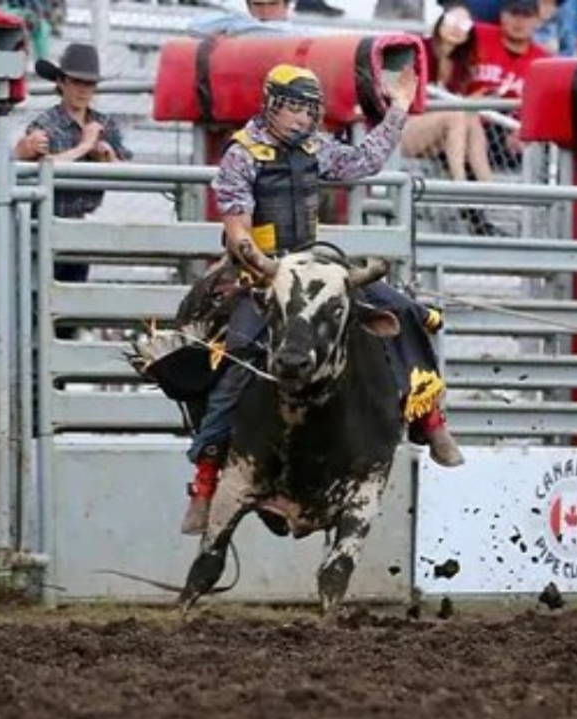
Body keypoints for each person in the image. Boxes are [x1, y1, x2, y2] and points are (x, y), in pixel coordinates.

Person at [181, 63, 464, 536]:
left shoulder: (316, 148)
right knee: (235, 362)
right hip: (265, 272)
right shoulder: (243, 153)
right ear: (271, 104)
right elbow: (237, 232)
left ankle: (431, 420)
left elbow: (365, 162)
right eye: (292, 106)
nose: (300, 118)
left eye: (309, 109)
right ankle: (206, 482)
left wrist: (397, 107)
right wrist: (264, 267)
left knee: (405, 311)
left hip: (315, 268)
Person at [13, 43, 132, 287]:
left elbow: (127, 171)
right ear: (61, 82)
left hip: (78, 225)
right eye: (76, 82)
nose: (83, 90)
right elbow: (42, 166)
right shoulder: (45, 123)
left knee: (71, 294)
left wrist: (108, 158)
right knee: (39, 294)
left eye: (89, 84)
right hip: (44, 222)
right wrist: (85, 146)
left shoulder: (104, 123)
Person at [400, 3, 502, 236]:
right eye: (452, 21)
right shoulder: (419, 49)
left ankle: (488, 185)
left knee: (470, 117)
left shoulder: (460, 65)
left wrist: (471, 100)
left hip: (436, 136)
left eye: (464, 24)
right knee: (458, 112)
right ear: (440, 21)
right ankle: (460, 186)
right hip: (403, 131)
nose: (457, 28)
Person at [462, 0, 549, 171]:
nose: (519, 21)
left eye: (526, 15)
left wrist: (527, 130)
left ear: (538, 21)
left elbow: (547, 108)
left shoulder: (544, 61)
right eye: (514, 13)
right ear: (502, 15)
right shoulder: (478, 36)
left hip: (513, 131)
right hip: (473, 122)